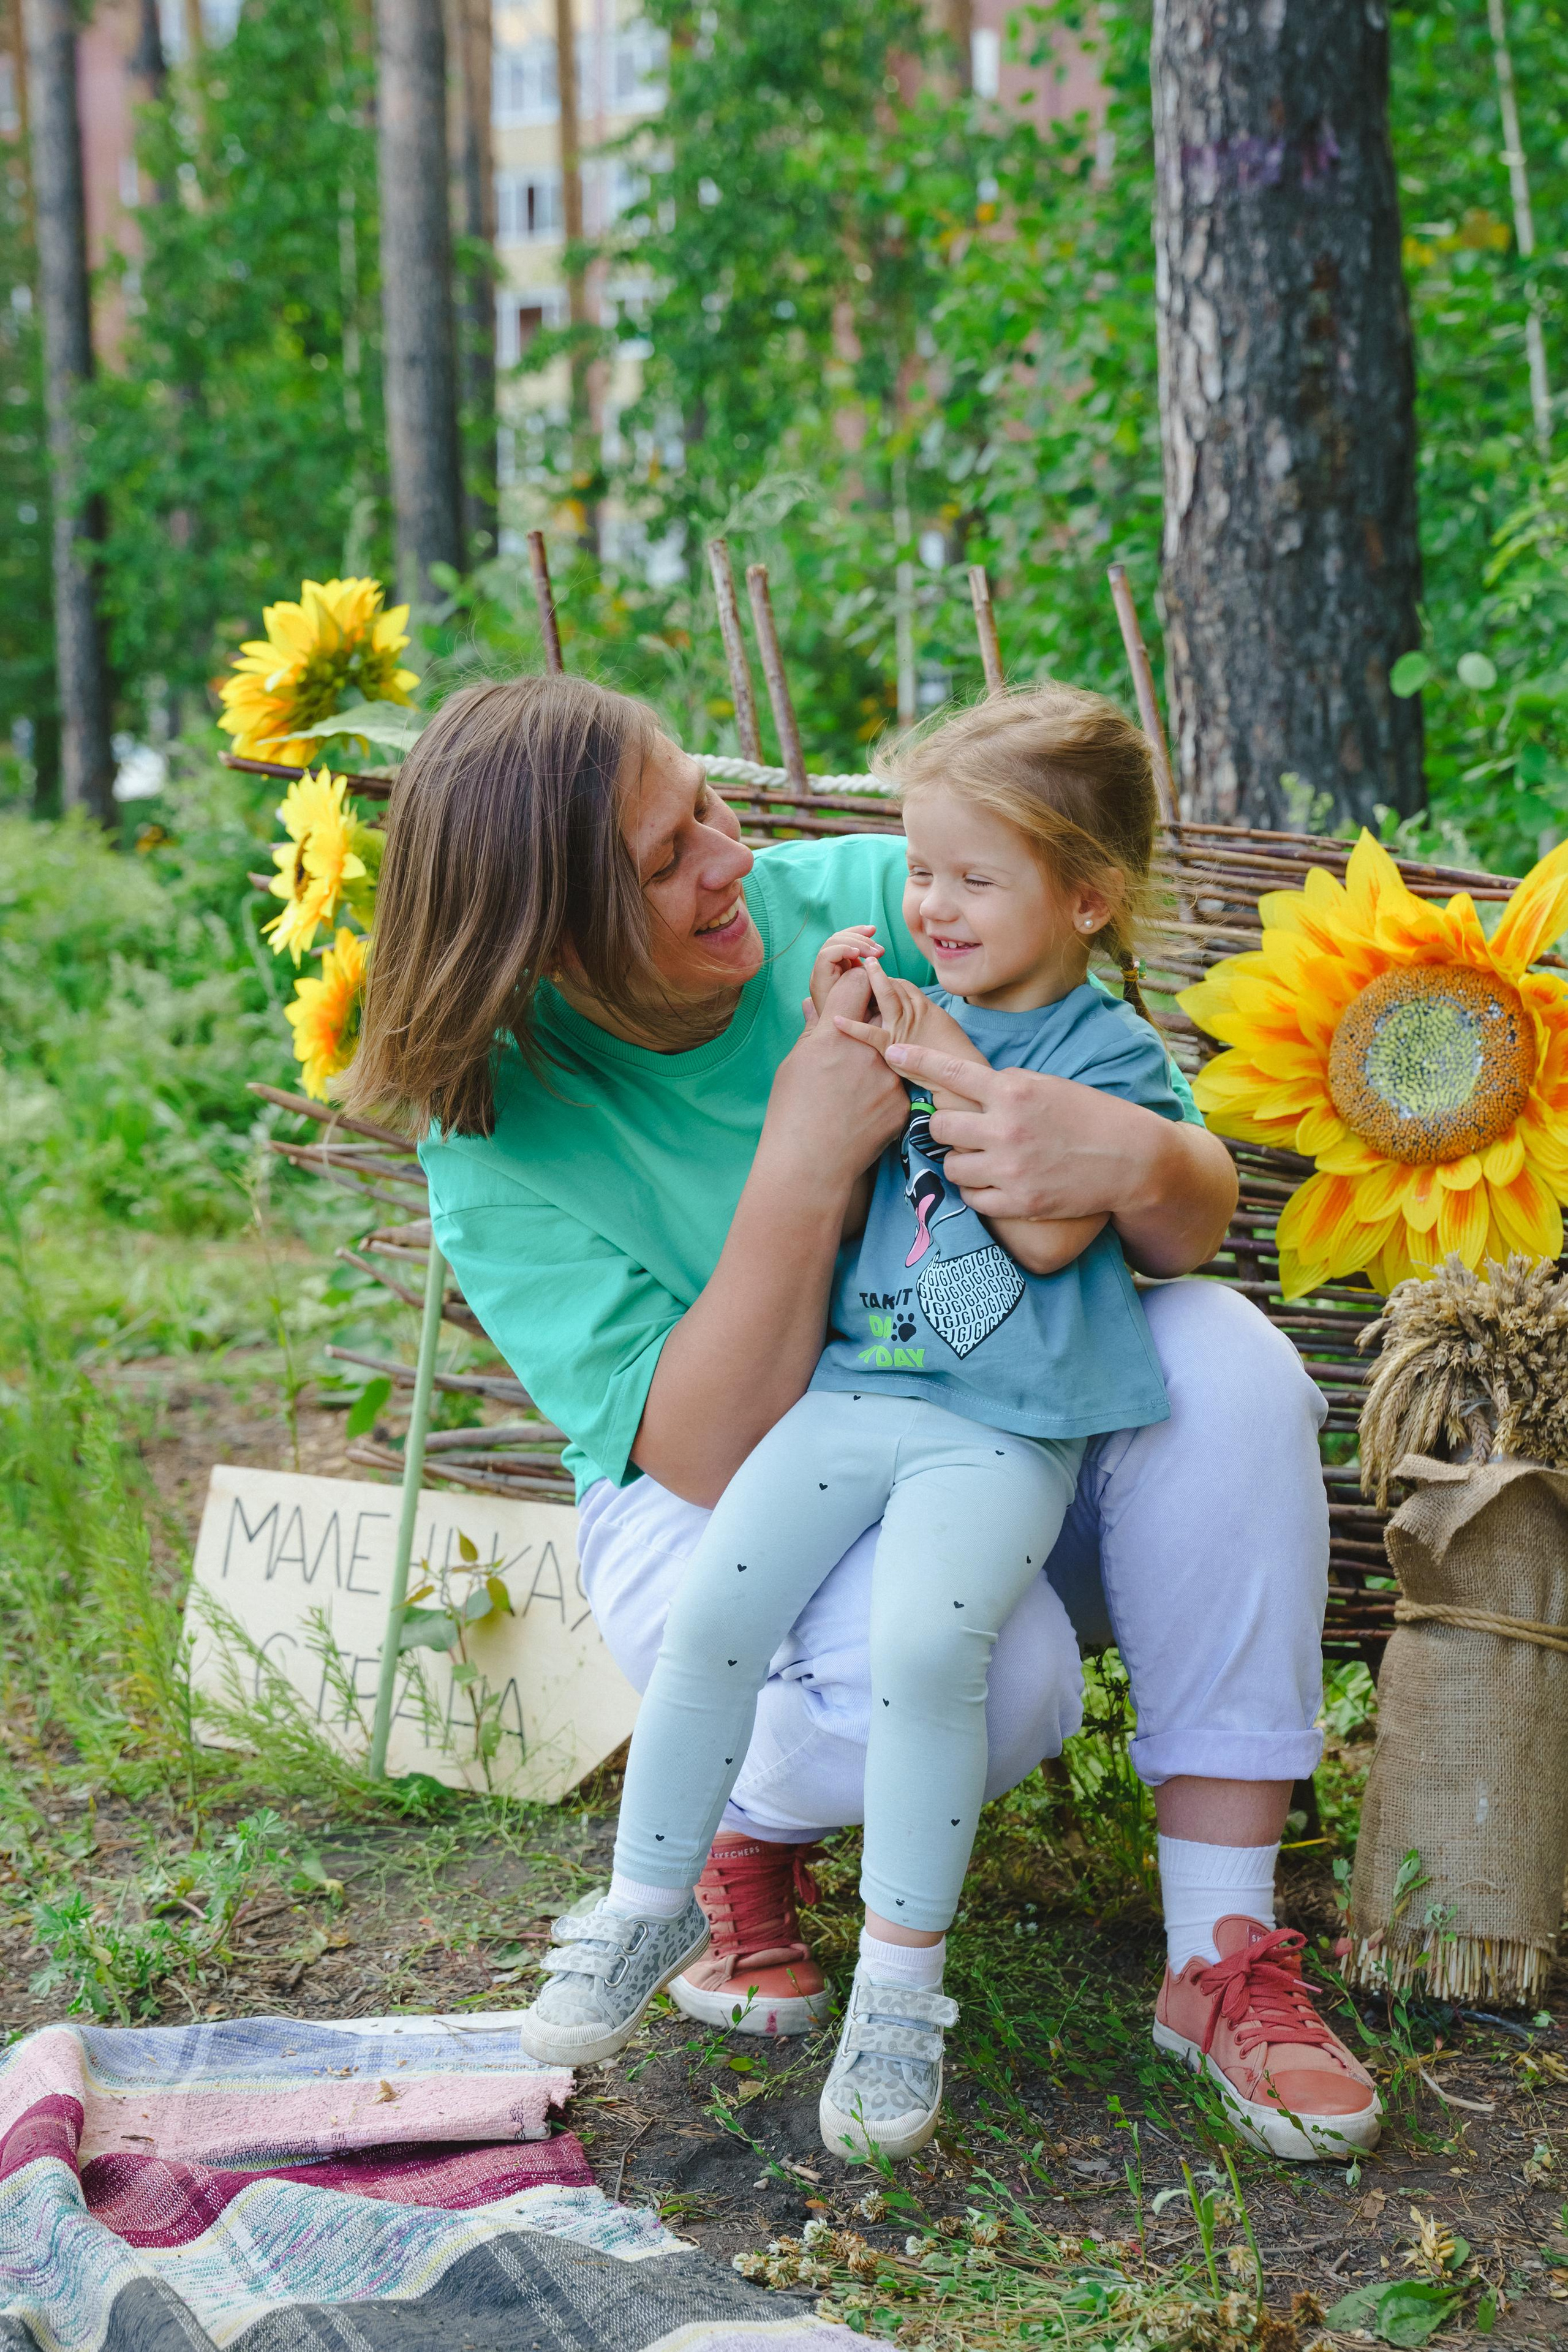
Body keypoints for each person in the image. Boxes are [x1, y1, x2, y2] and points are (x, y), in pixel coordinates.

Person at [344, 671, 1379, 2164]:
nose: (728, 861)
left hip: (993, 1418)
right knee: (997, 1682)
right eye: (664, 860)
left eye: (701, 800)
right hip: (732, 1497)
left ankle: (1217, 1951)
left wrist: (1126, 1158)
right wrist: (800, 1159)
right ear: (552, 937)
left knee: (1225, 1360)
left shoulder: (886, 904)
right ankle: (738, 1821)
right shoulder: (499, 1126)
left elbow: (1185, 1215)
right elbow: (699, 1451)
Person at [515, 687, 1204, 2161]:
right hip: (852, 1388)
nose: (927, 906)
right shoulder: (921, 995)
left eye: (969, 881)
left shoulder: (1106, 1058)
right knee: (717, 1613)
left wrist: (929, 1067)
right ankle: (642, 1906)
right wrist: (855, 1041)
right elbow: (861, 1115)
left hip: (994, 1429)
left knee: (921, 1656)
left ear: (1084, 902)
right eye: (921, 875)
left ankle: (901, 1998)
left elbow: (1026, 1245)